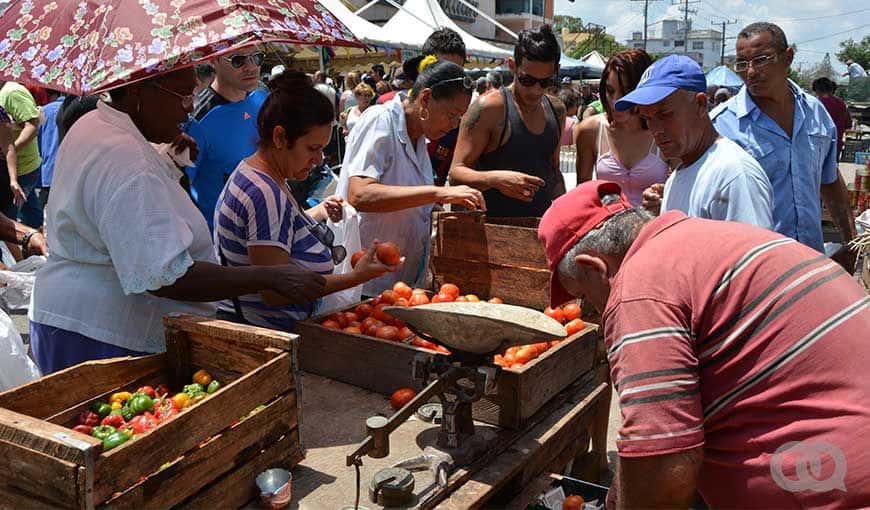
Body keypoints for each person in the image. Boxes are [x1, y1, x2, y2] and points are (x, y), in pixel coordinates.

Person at [539, 179, 870, 509]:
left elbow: (663, 467)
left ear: (593, 267)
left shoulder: (640, 287)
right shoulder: (708, 239)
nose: (595, 313)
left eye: (584, 297)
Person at [30, 66, 327, 374]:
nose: (190, 109)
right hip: (103, 335)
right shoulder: (127, 160)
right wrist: (269, 276)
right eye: (184, 96)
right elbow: (167, 277)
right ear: (137, 92)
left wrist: (165, 155)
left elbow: (114, 204)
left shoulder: (98, 121)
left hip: (73, 321)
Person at [214, 72, 398, 329]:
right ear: (280, 138)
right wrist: (357, 276)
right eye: (313, 149)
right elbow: (276, 291)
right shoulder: (264, 194)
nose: (320, 160)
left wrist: (319, 211)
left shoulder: (261, 175)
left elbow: (278, 234)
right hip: (270, 334)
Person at [712, 23, 855, 271]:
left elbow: (830, 182)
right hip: (754, 272)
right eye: (742, 64)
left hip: (811, 263)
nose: (751, 72)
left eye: (761, 59)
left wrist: (850, 243)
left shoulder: (815, 113)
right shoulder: (722, 124)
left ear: (787, 57)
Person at [338, 60, 485, 295]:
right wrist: (438, 192)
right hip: (364, 283)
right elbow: (360, 193)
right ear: (425, 99)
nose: (454, 125)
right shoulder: (380, 120)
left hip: (398, 283)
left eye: (460, 118)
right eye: (451, 115)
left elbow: (409, 201)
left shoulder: (419, 139)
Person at [619, 55, 773, 228]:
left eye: (665, 114)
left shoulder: (733, 175)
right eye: (647, 118)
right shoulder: (677, 177)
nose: (656, 129)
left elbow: (753, 252)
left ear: (700, 104)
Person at [450, 25, 566, 217]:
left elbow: (553, 171)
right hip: (491, 232)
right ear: (512, 66)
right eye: (527, 80)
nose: (536, 90)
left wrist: (566, 212)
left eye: (545, 82)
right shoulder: (490, 109)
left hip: (540, 230)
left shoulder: (556, 110)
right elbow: (456, 173)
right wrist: (495, 179)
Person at [184, 47, 268, 230]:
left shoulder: (263, 99)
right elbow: (178, 191)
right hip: (224, 246)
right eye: (238, 60)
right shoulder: (199, 122)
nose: (251, 67)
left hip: (269, 231)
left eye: (256, 57)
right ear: (214, 60)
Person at [573, 49, 668, 205]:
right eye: (610, 91)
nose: (615, 101)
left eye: (626, 92)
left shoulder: (665, 130)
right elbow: (583, 196)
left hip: (656, 227)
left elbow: (683, 191)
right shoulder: (590, 130)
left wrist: (664, 198)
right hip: (608, 227)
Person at [411, 28, 468, 187]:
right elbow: (361, 194)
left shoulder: (456, 124)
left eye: (456, 74)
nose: (450, 84)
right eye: (442, 72)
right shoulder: (387, 118)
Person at [0, 81, 42, 230]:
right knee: (31, 214)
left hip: (21, 169)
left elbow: (32, 126)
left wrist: (7, 151)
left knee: (8, 222)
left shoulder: (12, 92)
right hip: (18, 169)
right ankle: (40, 244)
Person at [812, 77, 850, 158]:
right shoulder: (841, 103)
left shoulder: (815, 104)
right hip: (836, 144)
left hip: (819, 146)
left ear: (817, 90)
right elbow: (848, 124)